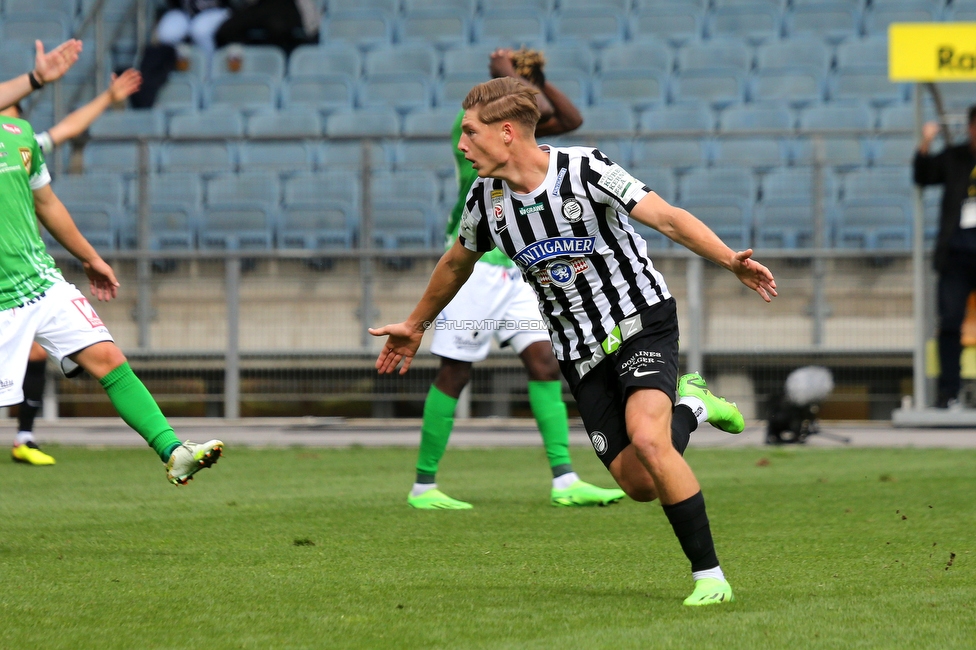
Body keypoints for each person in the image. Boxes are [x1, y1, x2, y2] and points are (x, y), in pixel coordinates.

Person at [370, 78, 777, 605]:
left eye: (470, 132)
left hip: (639, 321)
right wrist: (416, 325)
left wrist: (729, 260)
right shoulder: (486, 200)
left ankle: (710, 577)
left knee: (650, 441)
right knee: (639, 482)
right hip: (579, 351)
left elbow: (668, 218)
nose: (460, 144)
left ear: (508, 133)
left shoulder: (584, 169)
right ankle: (694, 404)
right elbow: (455, 263)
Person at [408, 48, 627, 510]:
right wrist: (507, 73)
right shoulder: (469, 130)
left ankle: (565, 479)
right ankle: (423, 485)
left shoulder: (515, 135)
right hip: (477, 267)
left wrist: (540, 78)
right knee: (455, 369)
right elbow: (544, 112)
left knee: (545, 363)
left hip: (520, 267)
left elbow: (566, 117)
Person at [0, 106, 223, 485]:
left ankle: (173, 452)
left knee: (109, 358)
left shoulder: (20, 135)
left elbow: (48, 203)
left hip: (41, 280)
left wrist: (90, 258)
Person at [1, 68, 143, 466]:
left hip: (24, 277)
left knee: (37, 354)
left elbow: (67, 129)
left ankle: (25, 435)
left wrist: (107, 98)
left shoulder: (21, 142)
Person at [914, 109, 976, 409]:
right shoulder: (955, 157)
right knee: (949, 324)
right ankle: (948, 392)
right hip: (956, 257)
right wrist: (926, 142)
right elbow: (922, 174)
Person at [155, 0, 231, 63]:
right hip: (186, 12)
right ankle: (171, 72)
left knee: (200, 29)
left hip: (218, 10)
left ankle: (209, 71)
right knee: (167, 34)